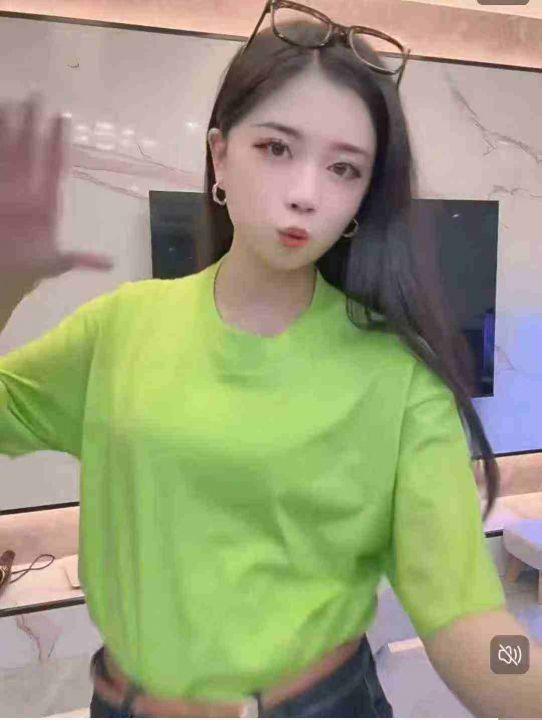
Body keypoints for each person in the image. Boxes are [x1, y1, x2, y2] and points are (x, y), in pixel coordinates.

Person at [1, 3, 540, 718]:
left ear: (362, 198)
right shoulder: (120, 328)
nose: (305, 194)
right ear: (221, 155)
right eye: (276, 148)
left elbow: (469, 622)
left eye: (343, 168)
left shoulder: (400, 381)